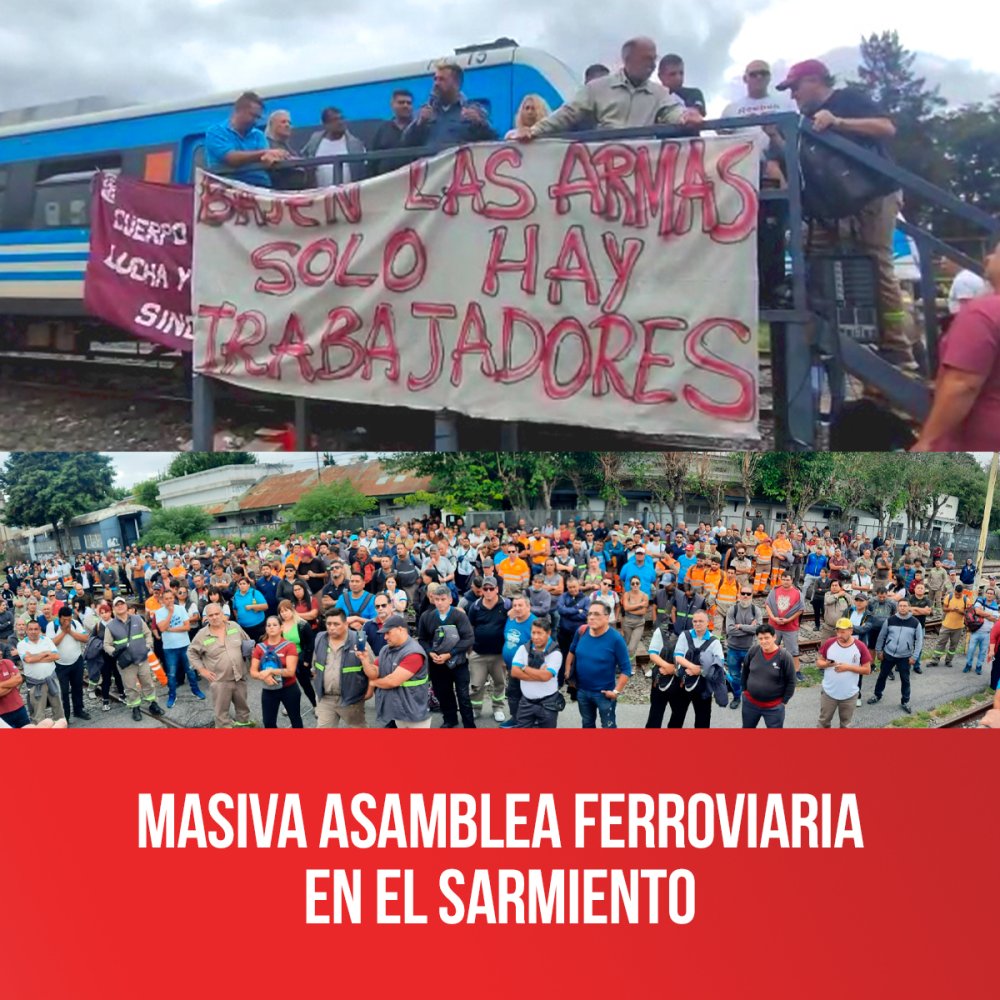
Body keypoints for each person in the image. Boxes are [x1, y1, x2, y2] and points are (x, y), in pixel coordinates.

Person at [775, 59, 914, 369]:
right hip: (837, 204)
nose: (793, 95)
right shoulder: (804, 120)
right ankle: (827, 331)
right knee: (813, 255)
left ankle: (897, 347)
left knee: (877, 261)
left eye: (795, 88)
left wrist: (838, 121)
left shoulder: (846, 99)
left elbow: (886, 127)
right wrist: (776, 139)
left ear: (814, 81)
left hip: (876, 193)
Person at [515, 36, 697, 140]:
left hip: (643, 172)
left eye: (654, 59)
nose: (652, 65)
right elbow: (567, 113)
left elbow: (673, 110)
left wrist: (686, 116)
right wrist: (533, 130)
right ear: (628, 60)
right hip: (605, 170)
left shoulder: (659, 93)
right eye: (646, 59)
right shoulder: (597, 88)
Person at [913, 243, 1000, 449]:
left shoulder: (983, 313)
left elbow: (962, 384)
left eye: (996, 254)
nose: (987, 258)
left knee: (837, 479)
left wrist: (927, 441)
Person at [402, 60, 497, 150]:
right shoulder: (425, 111)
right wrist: (419, 124)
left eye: (441, 79)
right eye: (435, 79)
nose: (436, 84)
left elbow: (494, 140)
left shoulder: (473, 110)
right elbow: (405, 144)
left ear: (456, 83)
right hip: (431, 166)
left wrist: (479, 123)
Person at [417, 583, 475, 729]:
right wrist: (430, 652)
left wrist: (450, 654)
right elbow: (422, 638)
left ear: (450, 600)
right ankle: (450, 719)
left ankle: (469, 724)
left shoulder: (459, 616)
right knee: (443, 693)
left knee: (463, 695)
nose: (440, 602)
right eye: (437, 599)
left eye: (443, 599)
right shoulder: (426, 616)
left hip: (458, 662)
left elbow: (468, 638)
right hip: (437, 664)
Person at [188, 603, 254, 729]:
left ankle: (243, 723)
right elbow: (191, 652)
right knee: (221, 712)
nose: (214, 617)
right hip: (219, 680)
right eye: (211, 615)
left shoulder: (234, 626)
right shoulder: (202, 635)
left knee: (243, 706)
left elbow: (248, 643)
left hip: (239, 676)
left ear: (223, 614)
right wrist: (202, 670)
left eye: (217, 614)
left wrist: (252, 664)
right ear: (206, 617)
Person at [566, 601, 631, 728]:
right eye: (589, 614)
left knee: (608, 726)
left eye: (596, 614)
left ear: (607, 617)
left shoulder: (616, 639)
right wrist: (568, 670)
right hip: (582, 692)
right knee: (587, 724)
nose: (591, 617)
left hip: (604, 694)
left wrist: (616, 691)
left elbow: (626, 669)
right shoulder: (581, 631)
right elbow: (571, 651)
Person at [359, 615, 431, 729]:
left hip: (415, 714)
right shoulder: (385, 650)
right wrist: (365, 660)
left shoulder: (414, 653)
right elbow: (374, 673)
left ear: (400, 629)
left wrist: (373, 683)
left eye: (388, 633)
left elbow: (393, 681)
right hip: (398, 712)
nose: (385, 637)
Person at [204, 91, 287, 187]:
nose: (256, 121)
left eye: (258, 117)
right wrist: (264, 153)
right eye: (253, 116)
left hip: (261, 189)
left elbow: (266, 158)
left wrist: (273, 156)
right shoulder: (216, 132)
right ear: (238, 111)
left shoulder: (258, 135)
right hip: (228, 190)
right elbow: (232, 158)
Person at [103, 596, 165, 723]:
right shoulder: (110, 626)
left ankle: (153, 704)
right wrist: (114, 653)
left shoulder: (137, 619)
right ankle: (135, 707)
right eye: (117, 605)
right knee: (130, 687)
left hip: (142, 658)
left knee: (147, 682)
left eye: (122, 604)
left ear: (126, 606)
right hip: (126, 663)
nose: (120, 606)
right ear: (114, 609)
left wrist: (148, 645)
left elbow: (148, 633)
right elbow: (106, 645)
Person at [664, 610, 726, 729]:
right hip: (683, 682)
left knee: (702, 719)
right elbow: (678, 656)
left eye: (701, 621)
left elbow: (719, 665)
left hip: (703, 686)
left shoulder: (714, 642)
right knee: (677, 716)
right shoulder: (685, 635)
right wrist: (693, 667)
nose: (697, 624)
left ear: (708, 622)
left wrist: (700, 671)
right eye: (695, 621)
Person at [311, 609, 370, 729]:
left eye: (336, 624)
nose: (331, 627)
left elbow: (372, 669)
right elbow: (315, 665)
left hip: (351, 700)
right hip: (325, 699)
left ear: (346, 624)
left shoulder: (359, 640)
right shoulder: (320, 638)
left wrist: (369, 691)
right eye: (329, 624)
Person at [466, 578, 509, 722]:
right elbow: (470, 628)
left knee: (500, 683)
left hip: (499, 654)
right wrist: (469, 649)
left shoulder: (507, 605)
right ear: (482, 591)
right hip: (478, 653)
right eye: (485, 589)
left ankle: (498, 708)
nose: (488, 592)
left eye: (491, 588)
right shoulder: (475, 607)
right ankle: (476, 709)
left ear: (497, 589)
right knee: (476, 685)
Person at [869, 598, 923, 714]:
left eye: (905, 606)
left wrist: (914, 656)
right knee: (882, 676)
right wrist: (879, 651)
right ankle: (877, 695)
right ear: (898, 607)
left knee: (905, 680)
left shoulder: (915, 623)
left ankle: (905, 701)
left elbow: (919, 641)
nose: (902, 608)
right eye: (900, 606)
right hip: (888, 654)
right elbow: (881, 636)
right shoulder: (890, 620)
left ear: (909, 607)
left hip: (905, 657)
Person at [154, 588, 205, 709]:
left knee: (190, 670)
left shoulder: (181, 609)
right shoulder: (159, 612)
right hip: (169, 648)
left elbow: (187, 627)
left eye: (171, 598)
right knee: (171, 674)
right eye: (166, 599)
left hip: (185, 645)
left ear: (174, 598)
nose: (169, 601)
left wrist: (171, 629)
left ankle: (195, 690)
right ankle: (172, 695)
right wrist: (170, 614)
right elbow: (161, 628)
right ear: (162, 600)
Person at [816, 619, 873, 728]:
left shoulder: (860, 646)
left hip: (849, 695)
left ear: (851, 631)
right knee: (823, 722)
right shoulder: (830, 642)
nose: (839, 635)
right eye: (837, 631)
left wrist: (848, 667)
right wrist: (826, 664)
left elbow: (867, 670)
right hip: (829, 693)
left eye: (843, 632)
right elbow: (819, 662)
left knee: (845, 725)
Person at [740, 624, 797, 729]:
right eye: (760, 639)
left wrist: (784, 701)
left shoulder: (784, 656)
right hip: (750, 704)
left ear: (774, 637)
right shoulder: (753, 651)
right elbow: (745, 670)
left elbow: (791, 681)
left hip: (773, 707)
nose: (763, 641)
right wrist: (744, 690)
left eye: (767, 638)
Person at [251, 616, 303, 728]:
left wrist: (270, 671)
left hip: (289, 689)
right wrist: (263, 677)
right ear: (265, 628)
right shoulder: (259, 647)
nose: (271, 627)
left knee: (295, 720)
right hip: (269, 690)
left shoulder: (289, 646)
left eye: (275, 625)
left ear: (281, 627)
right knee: (268, 723)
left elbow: (290, 672)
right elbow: (253, 672)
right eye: (268, 625)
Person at [510, 617, 563, 728]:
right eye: (533, 633)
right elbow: (514, 672)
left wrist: (524, 668)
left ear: (548, 633)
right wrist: (539, 674)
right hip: (526, 703)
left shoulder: (555, 654)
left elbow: (546, 676)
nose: (535, 637)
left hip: (548, 705)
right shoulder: (523, 649)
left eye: (539, 633)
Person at [46, 605, 91, 722]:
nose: (67, 622)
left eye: (69, 619)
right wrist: (64, 632)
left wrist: (70, 631)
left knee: (77, 687)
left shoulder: (75, 623)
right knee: (63, 691)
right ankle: (64, 716)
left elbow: (85, 638)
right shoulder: (52, 626)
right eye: (64, 620)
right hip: (60, 665)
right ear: (59, 618)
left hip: (77, 661)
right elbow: (51, 644)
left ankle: (78, 710)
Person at [302, 107, 368, 186]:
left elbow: (363, 172)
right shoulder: (314, 143)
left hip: (349, 195)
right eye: (335, 119)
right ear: (325, 124)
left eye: (342, 118)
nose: (340, 122)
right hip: (320, 195)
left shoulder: (356, 145)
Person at [724, 583, 762, 709]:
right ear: (739, 594)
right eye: (743, 593)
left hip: (750, 650)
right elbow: (730, 630)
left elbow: (758, 629)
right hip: (733, 649)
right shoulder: (732, 610)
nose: (745, 596)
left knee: (752, 675)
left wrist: (740, 626)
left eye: (748, 594)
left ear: (752, 595)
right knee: (735, 676)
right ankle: (736, 697)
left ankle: (750, 698)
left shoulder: (756, 610)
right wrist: (749, 628)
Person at [765, 571, 805, 681]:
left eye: (788, 579)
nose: (786, 581)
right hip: (774, 625)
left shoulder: (797, 593)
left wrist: (788, 620)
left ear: (791, 580)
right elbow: (767, 605)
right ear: (781, 579)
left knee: (793, 650)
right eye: (784, 579)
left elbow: (800, 609)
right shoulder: (775, 590)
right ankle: (769, 669)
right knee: (771, 647)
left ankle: (796, 671)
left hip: (790, 627)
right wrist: (774, 618)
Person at [370, 89, 415, 175]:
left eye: (409, 103)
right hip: (387, 182)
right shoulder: (382, 130)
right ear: (392, 105)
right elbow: (373, 161)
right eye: (401, 102)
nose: (406, 106)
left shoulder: (419, 128)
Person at [927, 584, 971, 669]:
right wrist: (951, 609)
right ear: (954, 591)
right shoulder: (949, 597)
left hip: (958, 627)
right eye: (956, 594)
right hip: (946, 625)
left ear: (963, 592)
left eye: (959, 594)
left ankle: (948, 660)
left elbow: (968, 613)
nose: (957, 595)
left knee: (953, 645)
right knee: (940, 643)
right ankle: (935, 660)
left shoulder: (966, 600)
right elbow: (944, 609)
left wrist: (960, 611)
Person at [264, 110, 308, 190]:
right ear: (272, 124)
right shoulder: (265, 144)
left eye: (289, 123)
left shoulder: (289, 148)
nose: (287, 125)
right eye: (283, 122)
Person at [965, 587, 998, 676]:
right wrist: (989, 614)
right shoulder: (980, 600)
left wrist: (982, 613)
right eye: (988, 593)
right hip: (976, 631)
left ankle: (979, 666)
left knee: (983, 652)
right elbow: (977, 611)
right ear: (985, 594)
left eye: (991, 593)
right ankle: (968, 664)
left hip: (987, 633)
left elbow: (994, 619)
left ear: (993, 595)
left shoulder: (995, 605)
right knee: (971, 650)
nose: (989, 595)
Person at [620, 576, 649, 669]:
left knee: (631, 647)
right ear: (630, 585)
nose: (635, 585)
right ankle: (626, 663)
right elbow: (625, 608)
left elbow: (643, 612)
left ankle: (632, 666)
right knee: (626, 645)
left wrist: (630, 609)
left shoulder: (645, 596)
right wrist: (640, 604)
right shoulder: (627, 594)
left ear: (640, 584)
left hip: (639, 623)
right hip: (627, 623)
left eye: (637, 583)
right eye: (633, 583)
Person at [231, 576, 268, 643]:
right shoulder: (236, 595)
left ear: (248, 585)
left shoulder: (255, 593)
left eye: (244, 583)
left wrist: (252, 607)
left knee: (261, 643)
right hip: (244, 627)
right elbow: (234, 608)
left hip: (258, 626)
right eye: (240, 584)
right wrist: (237, 618)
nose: (242, 586)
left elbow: (265, 606)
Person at [0, 654, 28, 728]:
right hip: (2, 715)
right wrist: (12, 682)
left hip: (19, 708)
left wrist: (1, 685)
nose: (0, 653)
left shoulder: (7, 662)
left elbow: (19, 679)